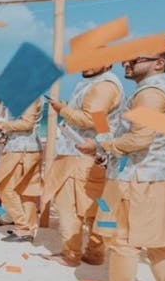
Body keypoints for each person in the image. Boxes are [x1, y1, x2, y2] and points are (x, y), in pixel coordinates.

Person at [78, 42, 165, 281]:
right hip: (164, 175)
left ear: (159, 63)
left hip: (136, 177)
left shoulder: (149, 93)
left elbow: (140, 139)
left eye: (135, 59)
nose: (127, 62)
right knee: (163, 240)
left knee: (123, 239)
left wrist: (101, 146)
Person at [43, 65, 123, 267]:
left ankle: (71, 254)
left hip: (81, 156)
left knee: (70, 208)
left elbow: (91, 119)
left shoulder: (104, 86)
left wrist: (63, 110)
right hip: (91, 154)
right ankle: (95, 253)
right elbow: (101, 122)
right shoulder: (102, 84)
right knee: (92, 208)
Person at [0, 98, 43, 242]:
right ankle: (28, 228)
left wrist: (0, 124)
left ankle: (23, 226)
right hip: (25, 147)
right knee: (25, 191)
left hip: (21, 149)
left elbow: (27, 123)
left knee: (5, 186)